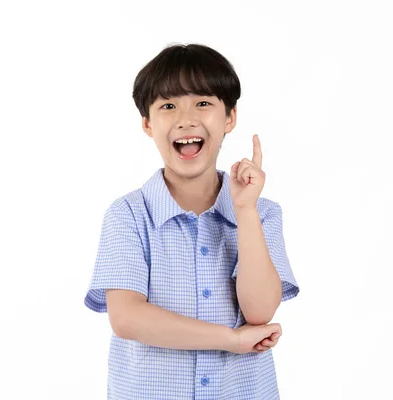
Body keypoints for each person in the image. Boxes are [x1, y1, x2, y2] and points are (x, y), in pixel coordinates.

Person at [84, 43, 300, 400]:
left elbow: (260, 311)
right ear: (148, 124)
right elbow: (127, 318)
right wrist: (230, 340)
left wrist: (244, 211)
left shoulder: (262, 213)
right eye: (168, 105)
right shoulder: (128, 215)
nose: (186, 118)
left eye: (203, 103)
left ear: (229, 116)